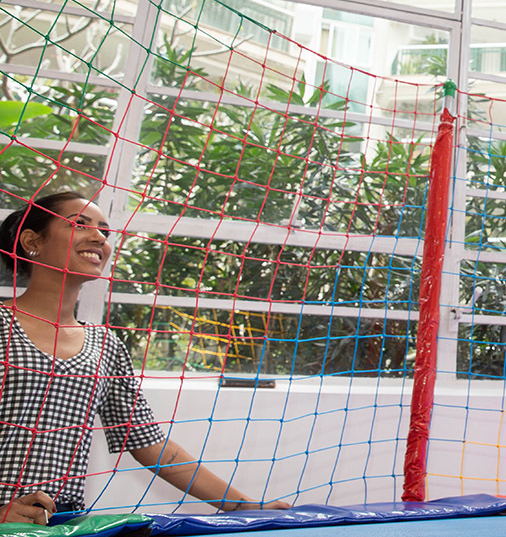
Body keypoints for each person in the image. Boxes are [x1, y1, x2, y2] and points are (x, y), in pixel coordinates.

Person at [0, 190, 291, 524]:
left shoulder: (105, 343)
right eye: (80, 225)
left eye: (105, 231)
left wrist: (245, 507)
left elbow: (151, 445)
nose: (98, 237)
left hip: (65, 524)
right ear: (31, 241)